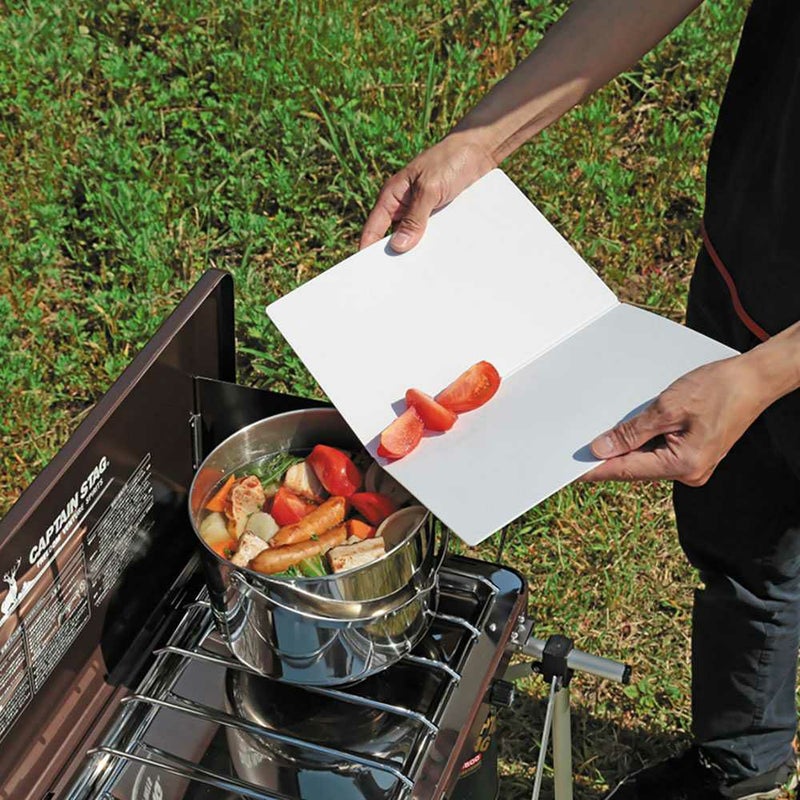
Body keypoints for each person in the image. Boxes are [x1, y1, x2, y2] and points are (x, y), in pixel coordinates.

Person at [359, 2, 800, 798]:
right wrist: (482, 138)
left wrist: (767, 374)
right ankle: (740, 766)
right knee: (742, 542)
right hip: (750, 266)